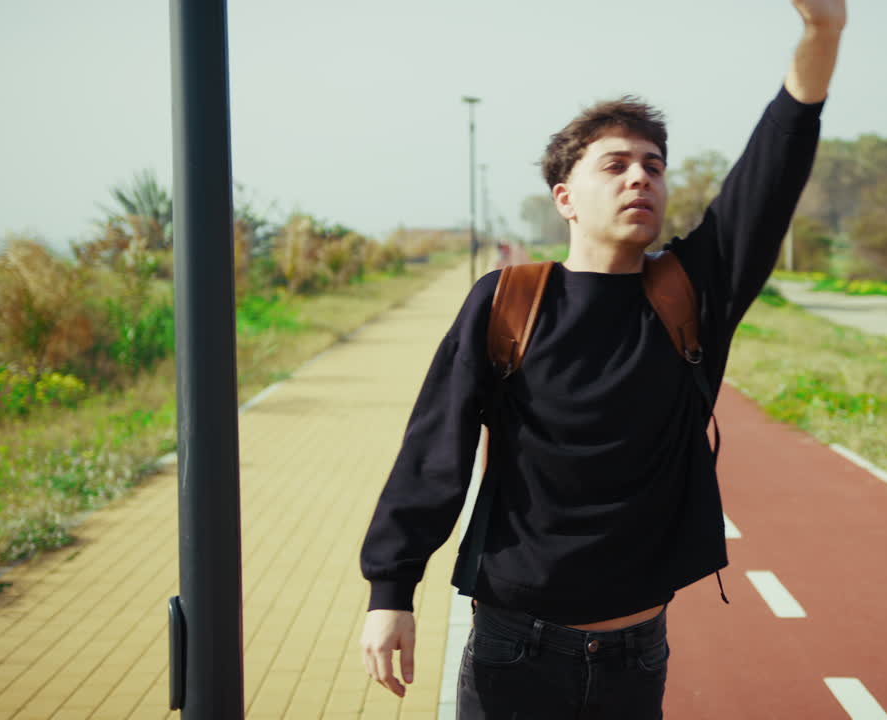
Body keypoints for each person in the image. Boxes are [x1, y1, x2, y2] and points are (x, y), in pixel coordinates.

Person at [360, 2, 844, 716]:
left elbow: (775, 163)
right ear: (566, 198)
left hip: (637, 652)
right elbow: (436, 448)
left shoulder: (690, 293)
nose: (638, 178)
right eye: (614, 165)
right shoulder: (509, 302)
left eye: (653, 166)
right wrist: (390, 592)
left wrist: (821, 34)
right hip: (511, 647)